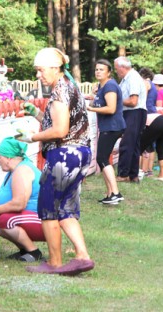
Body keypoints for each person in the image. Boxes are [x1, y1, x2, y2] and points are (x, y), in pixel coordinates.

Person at [18, 47, 94, 276]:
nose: (38, 75)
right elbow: (63, 124)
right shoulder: (69, 86)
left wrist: (31, 137)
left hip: (63, 156)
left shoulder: (60, 90)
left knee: (48, 208)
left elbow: (60, 130)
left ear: (54, 67)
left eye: (40, 70)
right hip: (79, 154)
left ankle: (54, 262)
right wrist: (36, 114)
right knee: (66, 209)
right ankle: (82, 256)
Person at [0, 137, 45, 262]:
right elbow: (1, 199)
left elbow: (19, 204)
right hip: (30, 217)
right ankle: (24, 250)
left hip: (42, 220)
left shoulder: (22, 171)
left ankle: (34, 252)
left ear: (8, 158)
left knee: (6, 219)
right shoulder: (13, 171)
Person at [86, 59, 126, 205]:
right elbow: (93, 103)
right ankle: (110, 194)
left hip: (112, 127)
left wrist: (92, 109)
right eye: (96, 69)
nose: (98, 72)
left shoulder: (110, 86)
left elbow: (111, 109)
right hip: (107, 127)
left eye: (102, 69)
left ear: (109, 72)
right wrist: (93, 94)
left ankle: (115, 192)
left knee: (102, 159)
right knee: (102, 159)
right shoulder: (101, 87)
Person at [114, 57, 147, 183]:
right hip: (137, 113)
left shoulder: (132, 78)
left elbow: (133, 101)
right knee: (134, 144)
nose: (116, 71)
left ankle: (123, 174)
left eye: (117, 68)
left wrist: (116, 100)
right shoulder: (127, 78)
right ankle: (133, 175)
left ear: (123, 68)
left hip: (134, 112)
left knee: (126, 143)